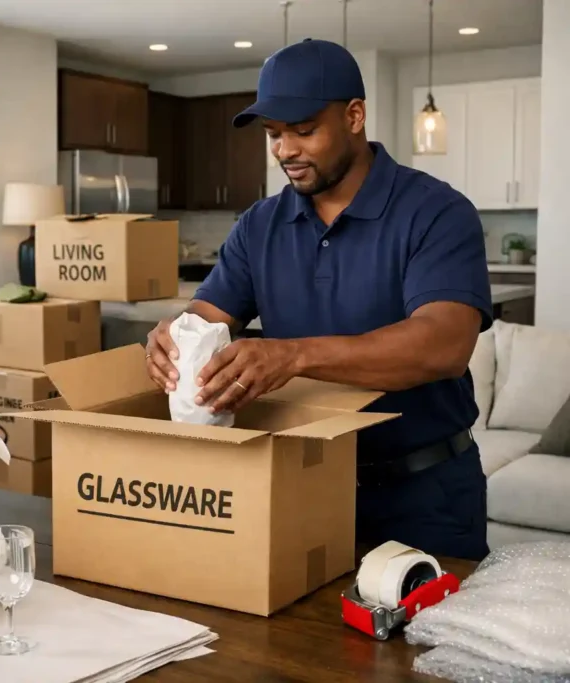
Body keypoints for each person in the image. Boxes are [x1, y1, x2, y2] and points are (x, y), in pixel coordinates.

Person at [145, 39, 493, 561]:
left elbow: (444, 345)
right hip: (301, 485)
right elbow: (206, 315)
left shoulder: (437, 212)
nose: (285, 150)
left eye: (304, 130)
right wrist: (173, 335)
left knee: (428, 641)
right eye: (274, 135)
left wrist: (293, 355)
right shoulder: (257, 227)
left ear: (355, 116)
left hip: (425, 495)